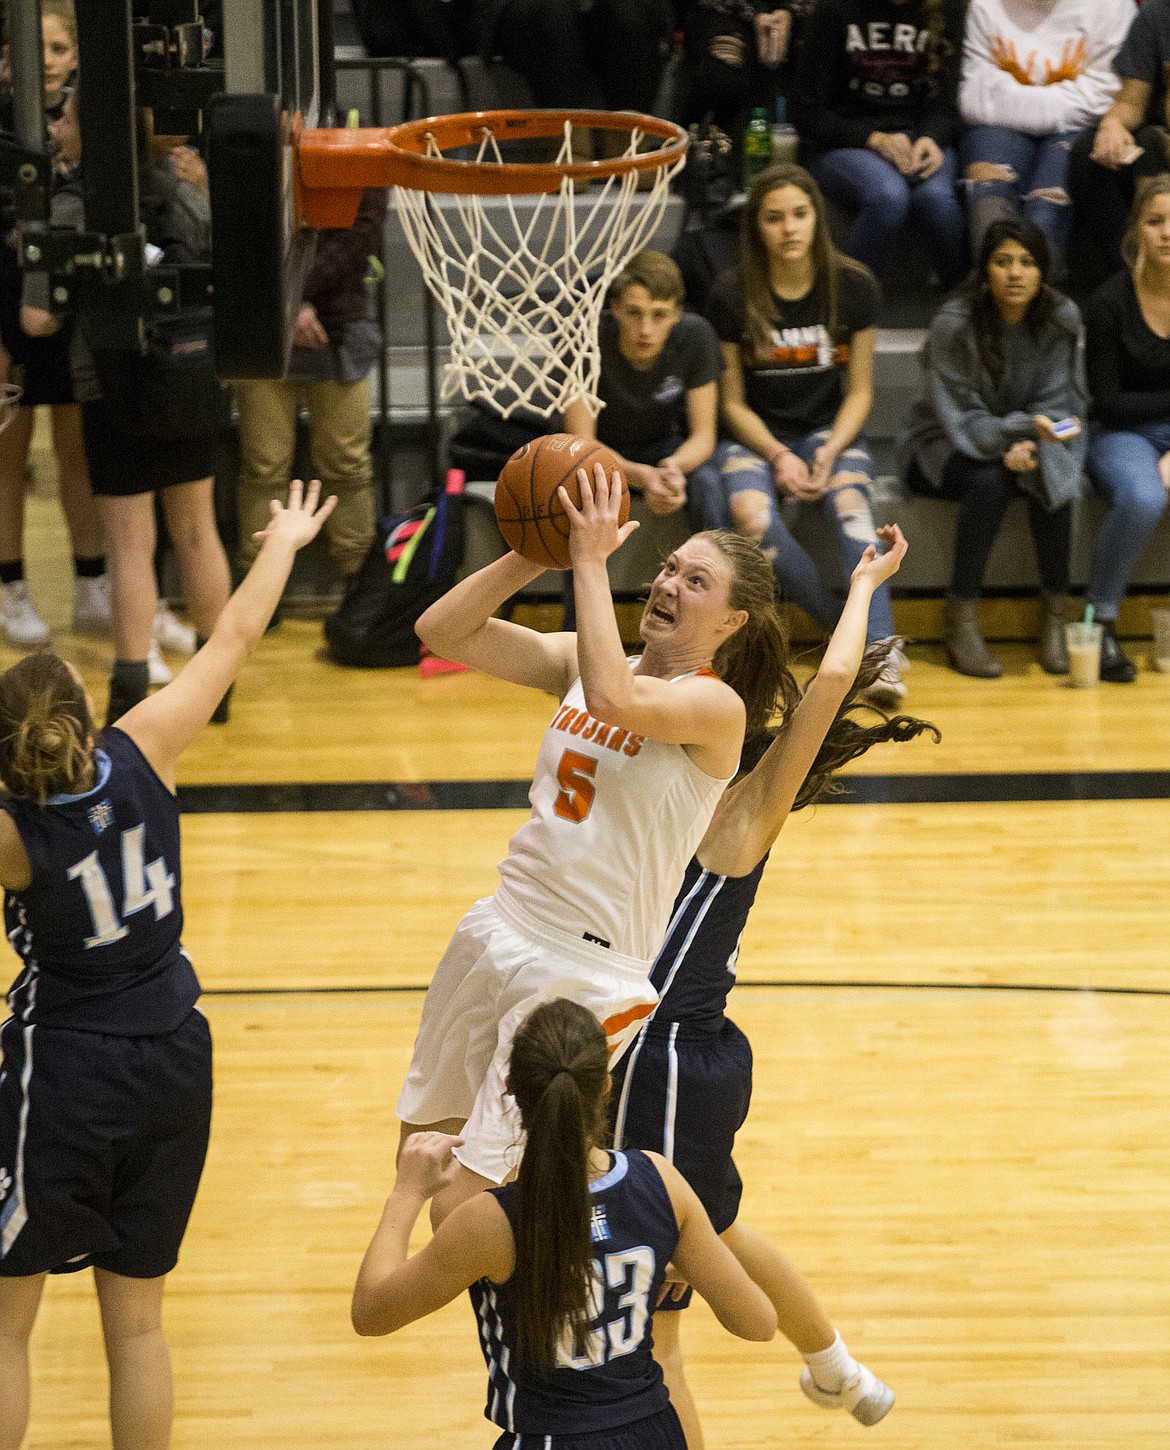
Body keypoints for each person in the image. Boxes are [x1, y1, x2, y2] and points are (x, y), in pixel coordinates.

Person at [0, 480, 336, 1450]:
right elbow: (231, 637)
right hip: (177, 1058)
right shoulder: (148, 742)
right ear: (84, 713)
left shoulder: (18, 839)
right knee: (139, 1325)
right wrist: (284, 539)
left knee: (10, 1325)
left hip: (67, 1070)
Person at [611, 525, 937, 1444]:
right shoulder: (659, 782)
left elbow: (828, 690)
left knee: (651, 1335)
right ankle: (834, 1365)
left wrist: (866, 582)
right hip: (666, 1053)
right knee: (715, 1226)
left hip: (668, 1058)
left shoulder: (742, 805)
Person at [405, 468, 789, 1224]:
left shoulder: (714, 707)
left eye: (697, 580)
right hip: (501, 923)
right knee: (423, 1151)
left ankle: (531, 1328)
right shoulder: (584, 660)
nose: (670, 583)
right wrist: (533, 552)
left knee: (472, 1196)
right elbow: (441, 633)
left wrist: (587, 561)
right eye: (670, 567)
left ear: (733, 621)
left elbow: (619, 698)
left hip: (584, 970)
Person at [354, 997, 778, 1450]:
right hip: (655, 1433)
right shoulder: (662, 1182)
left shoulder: (489, 1222)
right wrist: (672, 1261)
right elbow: (758, 1323)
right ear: (606, 1087)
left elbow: (372, 1313)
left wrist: (406, 1194)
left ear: (511, 1087)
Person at [20, 103, 234, 725]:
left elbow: (38, 319)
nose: (56, 129)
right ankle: (217, 687)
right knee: (197, 531)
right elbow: (234, 262)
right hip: (191, 379)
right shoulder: (182, 184)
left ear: (95, 130)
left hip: (113, 388)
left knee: (131, 545)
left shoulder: (71, 203)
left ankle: (129, 687)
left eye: (65, 119)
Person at [705, 163, 907, 705]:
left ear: (818, 219)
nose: (789, 228)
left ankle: (882, 656)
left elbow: (860, 391)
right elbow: (731, 403)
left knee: (854, 515)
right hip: (754, 437)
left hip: (827, 431)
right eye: (774, 218)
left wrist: (831, 450)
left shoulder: (854, 285)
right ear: (757, 229)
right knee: (753, 520)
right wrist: (775, 455)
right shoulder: (731, 294)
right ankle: (845, 627)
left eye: (800, 215)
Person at [899, 217, 1086, 679]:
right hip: (941, 445)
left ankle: (1055, 617)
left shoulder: (1062, 317)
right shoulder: (954, 322)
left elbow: (1062, 402)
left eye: (1027, 262)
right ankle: (960, 616)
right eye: (1003, 262)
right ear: (985, 271)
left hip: (1028, 438)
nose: (1015, 273)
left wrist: (1027, 441)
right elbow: (958, 414)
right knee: (991, 480)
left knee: (1052, 475)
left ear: (1043, 270)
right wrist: (1013, 439)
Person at [0, 0, 109, 649]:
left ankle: (93, 584)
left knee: (80, 457)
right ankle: (11, 588)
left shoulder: (89, 122)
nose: (47, 59)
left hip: (71, 314)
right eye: (34, 45)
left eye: (60, 48)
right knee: (8, 459)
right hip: (5, 311)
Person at [234, 186, 386, 601]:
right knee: (264, 466)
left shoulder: (356, 146)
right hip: (262, 325)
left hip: (336, 327)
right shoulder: (256, 138)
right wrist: (290, 305)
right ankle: (257, 586)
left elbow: (362, 232)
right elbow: (240, 233)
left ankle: (362, 590)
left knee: (347, 464)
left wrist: (293, 299)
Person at [789, 0, 968, 290]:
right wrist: (874, 139)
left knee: (937, 201)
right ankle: (845, 300)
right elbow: (806, 111)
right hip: (844, 140)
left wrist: (931, 138)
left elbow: (947, 105)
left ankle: (963, 301)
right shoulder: (834, 9)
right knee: (888, 195)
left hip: (918, 135)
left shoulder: (948, 10)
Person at [959, 0, 1135, 262]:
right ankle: (982, 298)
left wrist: (1006, 99)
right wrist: (1068, 99)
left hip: (1075, 132)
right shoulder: (985, 4)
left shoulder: (1113, 6)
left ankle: (1044, 301)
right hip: (998, 130)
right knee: (989, 215)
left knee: (1045, 216)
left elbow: (1105, 96)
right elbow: (972, 100)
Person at [1081, 175, 1170, 684]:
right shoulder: (1109, 301)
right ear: (1136, 230)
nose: (1165, 233)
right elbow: (1110, 404)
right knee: (1142, 497)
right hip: (1122, 434)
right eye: (1154, 221)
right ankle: (1100, 624)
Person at [1066, 0, 1170, 292]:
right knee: (1091, 154)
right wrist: (1112, 124)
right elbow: (1130, 101)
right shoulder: (1158, 15)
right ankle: (1133, 278)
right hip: (1160, 140)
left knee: (1152, 146)